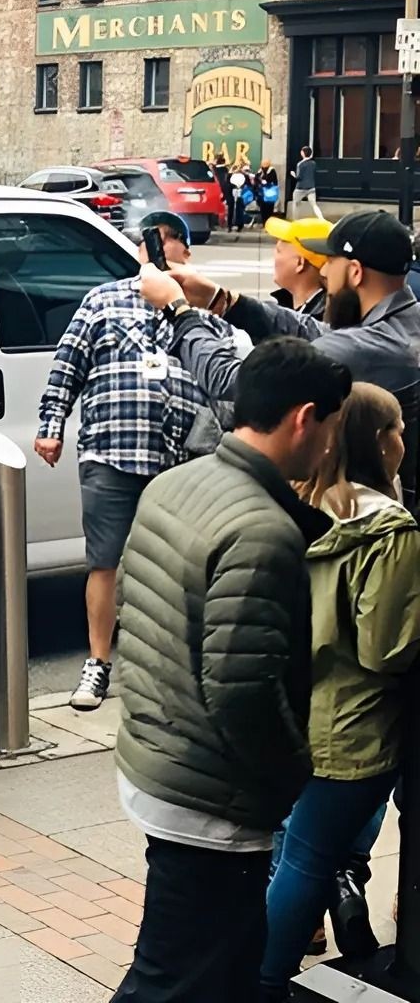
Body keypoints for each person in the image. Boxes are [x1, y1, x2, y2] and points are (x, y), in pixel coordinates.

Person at [112, 336, 349, 1003]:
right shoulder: (262, 530)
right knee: (173, 978)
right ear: (306, 418)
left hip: (161, 762)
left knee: (226, 969)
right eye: (331, 427)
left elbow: (138, 615)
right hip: (211, 799)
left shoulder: (174, 484)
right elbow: (244, 692)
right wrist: (292, 773)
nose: (331, 446)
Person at [258, 383, 420, 998]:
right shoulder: (388, 529)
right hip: (356, 725)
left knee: (294, 852)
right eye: (399, 427)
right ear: (378, 441)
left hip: (295, 711)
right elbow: (386, 646)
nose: (405, 439)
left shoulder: (301, 505)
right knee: (309, 859)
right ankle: (265, 978)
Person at [34, 212, 205, 711]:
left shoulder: (199, 309)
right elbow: (67, 366)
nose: (160, 252)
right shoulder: (103, 300)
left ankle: (167, 668)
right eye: (153, 244)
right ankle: (98, 664)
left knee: (176, 569)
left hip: (179, 458)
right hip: (111, 451)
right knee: (104, 561)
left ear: (185, 255)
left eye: (172, 246)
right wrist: (51, 428)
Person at [149, 209, 420, 503]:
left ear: (355, 272)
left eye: (330, 263)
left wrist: (178, 312)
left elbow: (232, 380)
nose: (325, 274)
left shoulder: (370, 346)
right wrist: (222, 299)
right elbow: (313, 330)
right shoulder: (402, 323)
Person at [265, 216, 332, 320]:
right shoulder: (293, 308)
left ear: (300, 263)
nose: (274, 256)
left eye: (279, 251)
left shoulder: (321, 320)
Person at [292, 145, 324, 219]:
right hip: (311, 187)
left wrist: (293, 174)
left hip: (300, 188)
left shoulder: (300, 164)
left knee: (296, 204)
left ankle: (295, 221)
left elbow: (299, 177)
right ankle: (321, 218)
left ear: (303, 153)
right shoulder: (313, 163)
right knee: (314, 205)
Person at [228, 158, 252, 235]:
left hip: (238, 194)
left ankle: (233, 225)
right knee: (236, 209)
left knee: (236, 209)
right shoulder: (239, 176)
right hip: (237, 193)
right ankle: (234, 225)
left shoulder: (234, 175)